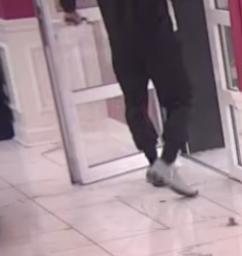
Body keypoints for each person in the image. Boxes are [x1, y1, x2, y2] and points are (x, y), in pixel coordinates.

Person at [61, 0, 198, 196]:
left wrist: (69, 9)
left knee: (135, 103)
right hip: (157, 35)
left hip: (121, 42)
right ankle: (166, 162)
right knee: (181, 99)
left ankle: (154, 162)